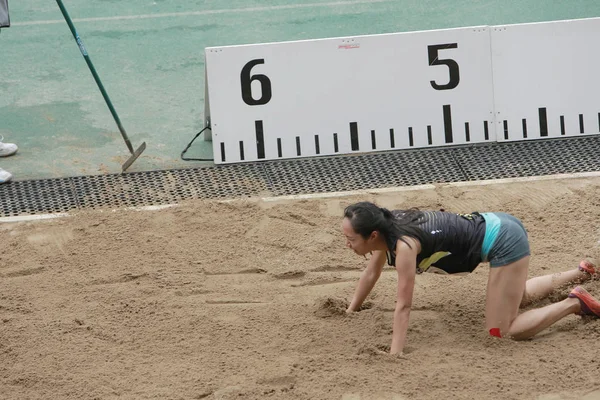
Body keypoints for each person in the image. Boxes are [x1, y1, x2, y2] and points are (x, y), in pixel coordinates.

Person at [342, 201, 599, 355]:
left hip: (502, 240)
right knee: (521, 298)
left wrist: (394, 353)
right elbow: (371, 273)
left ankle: (574, 303)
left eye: (351, 239)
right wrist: (351, 310)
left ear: (373, 235)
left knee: (502, 330)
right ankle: (581, 273)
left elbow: (404, 305)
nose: (348, 245)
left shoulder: (404, 247)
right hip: (497, 222)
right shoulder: (388, 224)